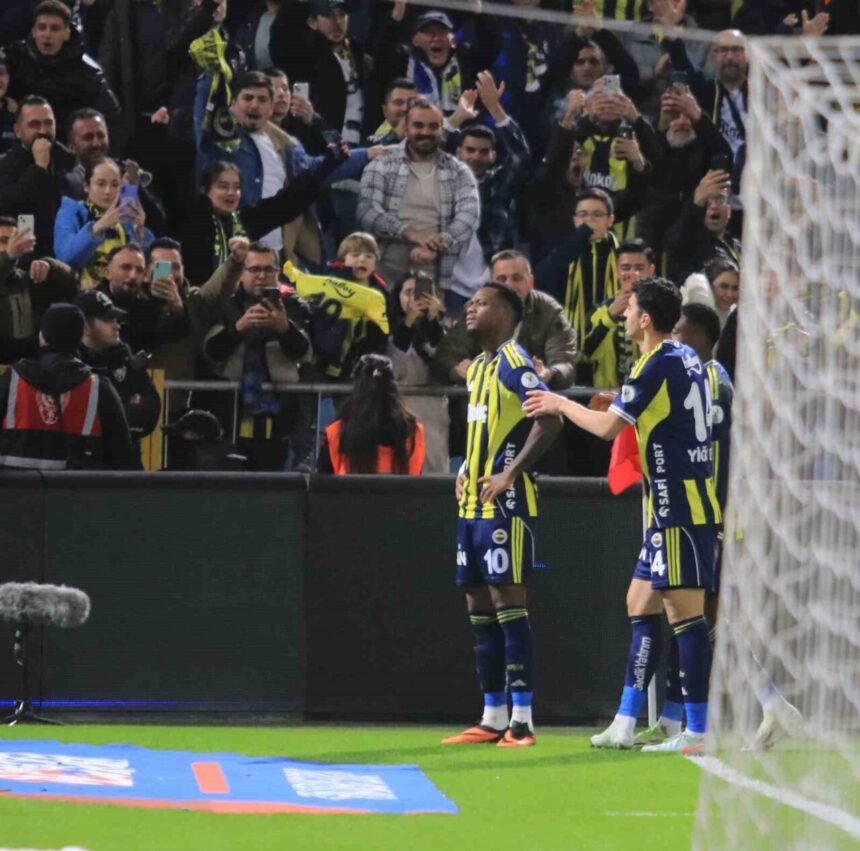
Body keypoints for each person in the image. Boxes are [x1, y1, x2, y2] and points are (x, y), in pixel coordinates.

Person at [523, 277, 720, 753]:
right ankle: (626, 722)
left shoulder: (654, 364)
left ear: (644, 319)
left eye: (629, 309)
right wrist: (623, 401)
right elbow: (667, 413)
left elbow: (609, 430)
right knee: (639, 602)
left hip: (680, 507)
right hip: (671, 508)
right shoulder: (684, 356)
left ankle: (698, 731)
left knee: (687, 617)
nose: (624, 315)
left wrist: (560, 403)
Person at [441, 282, 562, 748]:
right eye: (470, 302)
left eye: (482, 303)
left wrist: (511, 472)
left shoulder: (514, 360)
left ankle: (522, 721)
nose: (471, 308)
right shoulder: (478, 369)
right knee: (477, 606)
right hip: (471, 504)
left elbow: (548, 419)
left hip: (505, 507)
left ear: (507, 314)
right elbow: (487, 430)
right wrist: (466, 468)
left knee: (509, 603)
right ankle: (492, 716)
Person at [357, 97, 479, 314]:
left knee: (428, 328)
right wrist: (411, 233)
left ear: (442, 130)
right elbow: (367, 211)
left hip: (436, 267)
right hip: (384, 266)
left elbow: (469, 217)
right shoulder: (382, 164)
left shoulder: (459, 171)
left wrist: (438, 243)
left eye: (432, 126)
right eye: (418, 125)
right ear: (406, 128)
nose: (425, 132)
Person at [202, 241, 310, 470]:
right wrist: (238, 328)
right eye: (255, 269)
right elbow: (211, 353)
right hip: (229, 420)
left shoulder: (292, 306)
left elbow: (304, 352)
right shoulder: (226, 305)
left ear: (277, 273)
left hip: (278, 425)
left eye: (268, 269)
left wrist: (284, 328)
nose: (262, 276)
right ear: (243, 272)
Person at [0, 302, 134, 470]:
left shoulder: (11, 380)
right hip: (79, 486)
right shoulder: (98, 387)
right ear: (80, 338)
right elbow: (123, 456)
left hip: (16, 485)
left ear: (42, 336)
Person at [5, 1, 122, 144]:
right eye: (42, 27)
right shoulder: (15, 57)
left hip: (67, 146)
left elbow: (111, 118)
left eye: (55, 29)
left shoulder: (88, 72)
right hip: (18, 144)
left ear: (67, 33)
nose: (47, 34)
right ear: (33, 31)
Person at [534, 187, 620, 379]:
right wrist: (578, 240)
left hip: (612, 352)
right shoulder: (564, 252)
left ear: (610, 220)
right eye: (583, 215)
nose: (589, 220)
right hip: (569, 352)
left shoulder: (623, 255)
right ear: (574, 220)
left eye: (597, 214)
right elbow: (540, 278)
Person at [77, 289, 161, 468]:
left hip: (126, 466)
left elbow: (150, 413)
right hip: (84, 468)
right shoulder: (71, 361)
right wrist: (124, 409)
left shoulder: (124, 357)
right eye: (108, 320)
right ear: (86, 326)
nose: (117, 326)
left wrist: (103, 416)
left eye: (116, 319)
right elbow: (74, 416)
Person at [318, 353, 425, 474]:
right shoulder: (415, 433)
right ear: (393, 388)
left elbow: (323, 481)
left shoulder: (336, 434)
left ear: (356, 388)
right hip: (402, 487)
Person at [54, 156, 152, 288]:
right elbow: (65, 258)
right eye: (101, 184)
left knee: (168, 255)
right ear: (86, 186)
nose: (108, 191)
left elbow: (144, 271)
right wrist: (98, 227)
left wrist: (140, 235)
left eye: (115, 185)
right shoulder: (71, 211)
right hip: (82, 294)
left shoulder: (127, 218)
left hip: (121, 294)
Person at [387, 271, 449, 473]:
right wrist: (408, 323)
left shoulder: (442, 332)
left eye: (421, 292)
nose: (415, 298)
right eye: (408, 293)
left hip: (433, 412)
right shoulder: (386, 330)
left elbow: (444, 361)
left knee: (433, 469)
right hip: (398, 408)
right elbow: (394, 367)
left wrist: (433, 322)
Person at [0, 96, 77, 257]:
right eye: (34, 124)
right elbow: (9, 205)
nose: (43, 131)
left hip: (66, 254)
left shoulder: (70, 162)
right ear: (17, 131)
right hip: (23, 257)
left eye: (48, 123)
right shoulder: (5, 165)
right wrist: (39, 168)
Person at [0, 217, 79, 363]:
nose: (10, 246)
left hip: (28, 365)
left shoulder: (27, 277)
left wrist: (50, 266)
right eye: (3, 241)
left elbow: (72, 280)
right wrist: (8, 257)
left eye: (15, 240)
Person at [581, 239, 654, 389]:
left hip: (651, 396)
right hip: (610, 398)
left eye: (639, 268)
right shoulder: (599, 312)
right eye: (626, 268)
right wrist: (610, 316)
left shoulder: (663, 309)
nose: (633, 274)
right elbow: (585, 355)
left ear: (651, 271)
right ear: (616, 272)